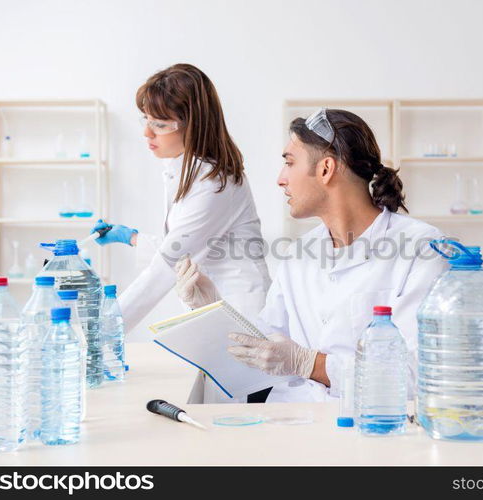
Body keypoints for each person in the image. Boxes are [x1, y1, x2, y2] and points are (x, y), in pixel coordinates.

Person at [176, 108, 447, 403]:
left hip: (370, 427)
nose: (281, 179)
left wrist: (313, 365)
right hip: (291, 424)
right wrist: (213, 310)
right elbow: (266, 351)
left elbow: (419, 375)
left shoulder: (421, 249)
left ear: (326, 169)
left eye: (289, 163)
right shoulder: (299, 255)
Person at [92, 64, 271, 402]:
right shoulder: (185, 169)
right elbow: (188, 243)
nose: (147, 134)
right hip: (214, 314)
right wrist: (130, 237)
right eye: (145, 120)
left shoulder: (214, 182)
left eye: (159, 125)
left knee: (233, 427)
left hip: (239, 314)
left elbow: (165, 267)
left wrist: (102, 332)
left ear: (194, 125)